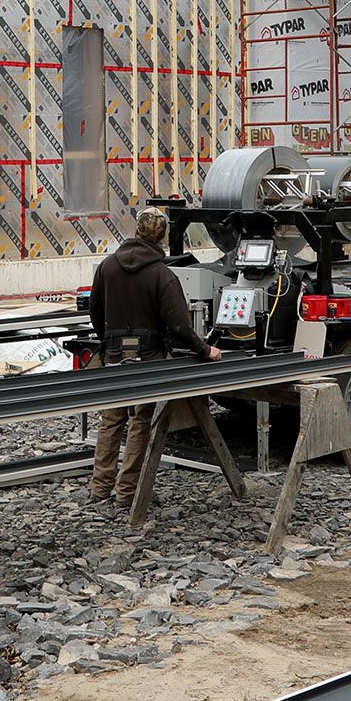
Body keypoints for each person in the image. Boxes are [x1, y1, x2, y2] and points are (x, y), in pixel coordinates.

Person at [84, 207, 219, 505]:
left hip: (115, 356)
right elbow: (179, 325)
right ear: (163, 237)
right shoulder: (162, 274)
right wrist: (205, 349)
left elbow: (95, 314)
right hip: (148, 358)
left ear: (136, 231)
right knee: (139, 422)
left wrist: (108, 344)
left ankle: (99, 488)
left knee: (111, 420)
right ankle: (128, 491)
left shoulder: (106, 267)